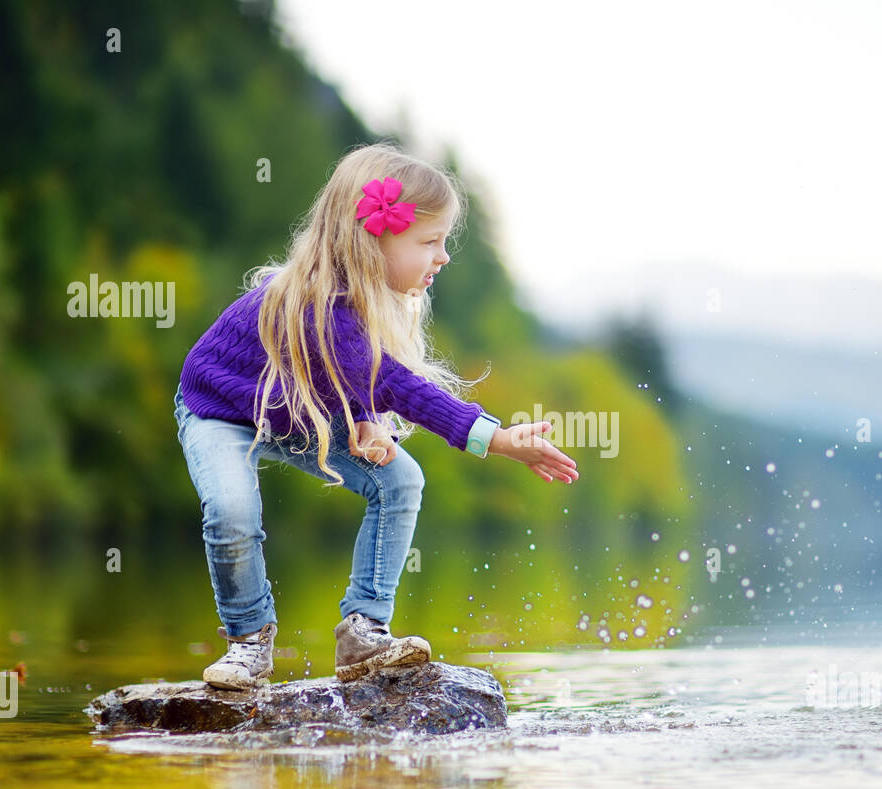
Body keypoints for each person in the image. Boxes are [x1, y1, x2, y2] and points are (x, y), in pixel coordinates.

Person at [173, 142, 580, 690]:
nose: (444, 256)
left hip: (293, 411)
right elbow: (393, 381)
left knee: (400, 479)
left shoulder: (362, 304)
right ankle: (249, 641)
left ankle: (363, 630)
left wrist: (364, 416)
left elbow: (351, 371)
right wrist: (499, 440)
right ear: (372, 240)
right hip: (219, 407)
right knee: (231, 510)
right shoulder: (314, 301)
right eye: (430, 242)